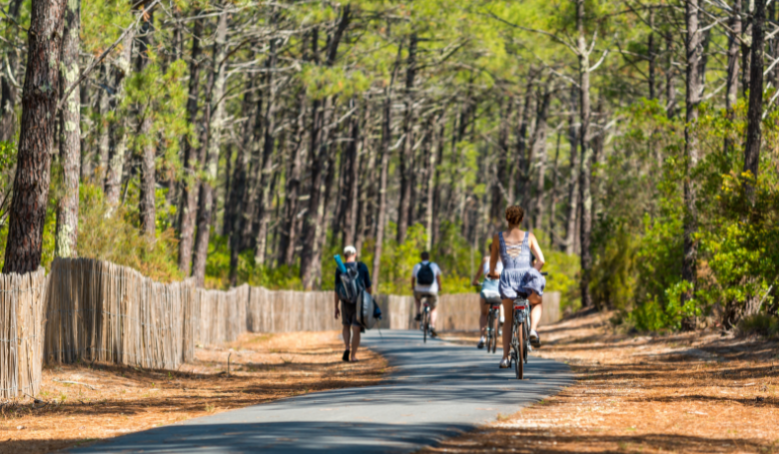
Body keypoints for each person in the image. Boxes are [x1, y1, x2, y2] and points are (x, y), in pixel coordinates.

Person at [488, 206, 545, 369]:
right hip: (526, 279)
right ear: (521, 219)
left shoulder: (497, 237)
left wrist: (493, 273)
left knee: (508, 319)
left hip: (507, 278)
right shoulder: (530, 236)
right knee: (537, 302)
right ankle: (533, 329)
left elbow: (493, 262)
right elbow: (541, 260)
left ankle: (505, 358)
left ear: (507, 218)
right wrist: (532, 273)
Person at [334, 245, 372, 362]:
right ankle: (353, 356)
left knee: (346, 325)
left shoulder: (339, 268)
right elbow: (369, 287)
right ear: (355, 254)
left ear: (344, 256)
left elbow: (336, 290)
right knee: (356, 328)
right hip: (359, 302)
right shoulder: (362, 267)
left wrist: (336, 306)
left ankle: (346, 347)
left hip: (345, 302)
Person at [472, 242, 504, 349]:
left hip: (486, 289)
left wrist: (475, 281)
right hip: (499, 290)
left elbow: (478, 274)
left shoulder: (486, 259)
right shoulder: (504, 260)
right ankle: (500, 321)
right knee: (499, 305)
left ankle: (482, 338)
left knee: (484, 314)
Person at [412, 251, 443, 337]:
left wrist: (412, 287)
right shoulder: (434, 265)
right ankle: (432, 325)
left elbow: (413, 279)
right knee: (433, 308)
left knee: (417, 299)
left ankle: (418, 312)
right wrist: (440, 287)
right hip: (432, 290)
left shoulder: (417, 266)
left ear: (421, 257)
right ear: (429, 257)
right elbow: (438, 278)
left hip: (419, 290)